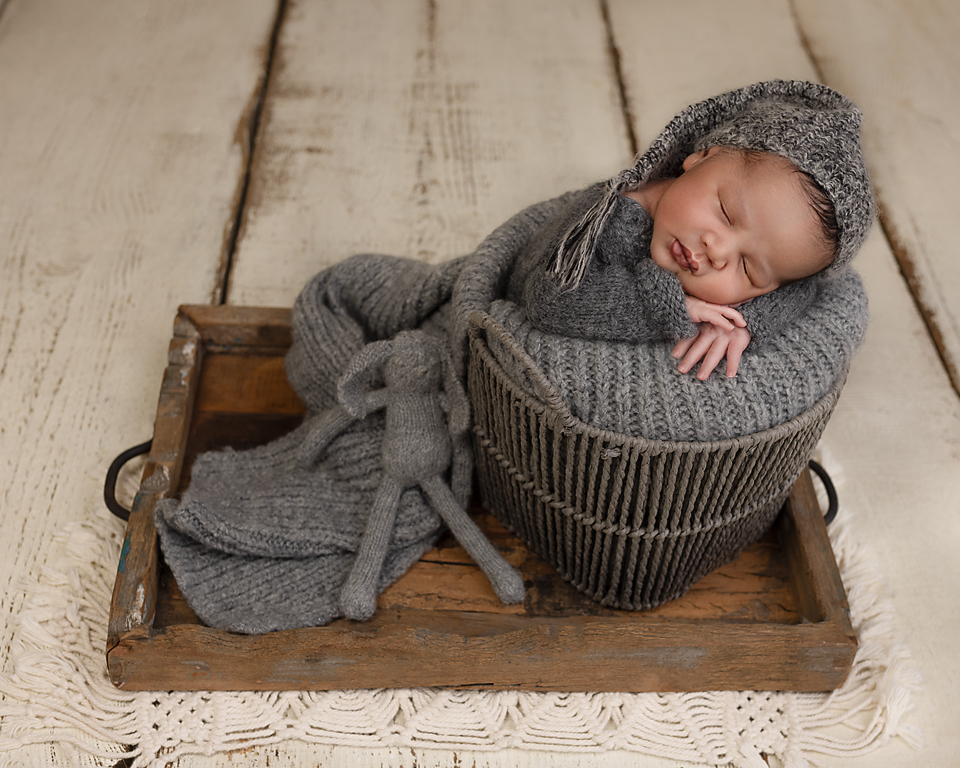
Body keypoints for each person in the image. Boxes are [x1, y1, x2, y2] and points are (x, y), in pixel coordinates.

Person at [506, 80, 872, 380]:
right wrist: (668, 305)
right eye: (726, 214)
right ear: (701, 157)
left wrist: (746, 324)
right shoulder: (612, 219)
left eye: (747, 268)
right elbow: (548, 300)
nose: (718, 250)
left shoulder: (780, 264)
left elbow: (803, 287)